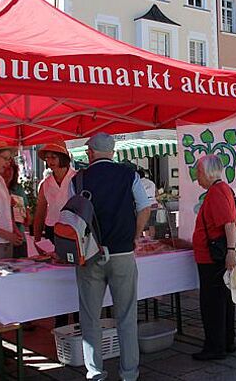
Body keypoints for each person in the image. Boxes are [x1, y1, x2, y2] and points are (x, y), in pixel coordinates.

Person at [75, 132, 151, 381]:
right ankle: (129, 373)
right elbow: (144, 207)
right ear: (113, 152)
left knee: (90, 316)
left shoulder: (78, 179)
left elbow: (70, 217)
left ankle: (95, 372)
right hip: (122, 252)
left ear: (90, 153)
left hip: (89, 255)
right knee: (127, 315)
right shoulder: (129, 175)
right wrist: (136, 235)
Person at [191, 154, 236, 360]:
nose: (197, 178)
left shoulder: (217, 192)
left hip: (212, 258)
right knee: (223, 301)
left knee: (212, 304)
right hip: (216, 256)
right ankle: (226, 342)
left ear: (208, 174)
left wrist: (231, 251)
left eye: (199, 173)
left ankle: (215, 347)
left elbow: (228, 223)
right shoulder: (223, 189)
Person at [33, 141, 77, 328]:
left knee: (74, 277)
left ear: (63, 157)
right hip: (53, 233)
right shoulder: (46, 183)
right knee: (56, 278)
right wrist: (36, 239)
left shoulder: (77, 178)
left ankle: (78, 320)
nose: (50, 161)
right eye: (47, 157)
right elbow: (40, 212)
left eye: (53, 156)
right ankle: (60, 323)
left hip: (74, 232)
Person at [0, 159, 29, 258]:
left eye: (10, 169)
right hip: (2, 239)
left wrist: (26, 215)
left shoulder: (18, 189)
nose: (7, 173)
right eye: (5, 169)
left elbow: (27, 218)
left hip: (19, 238)